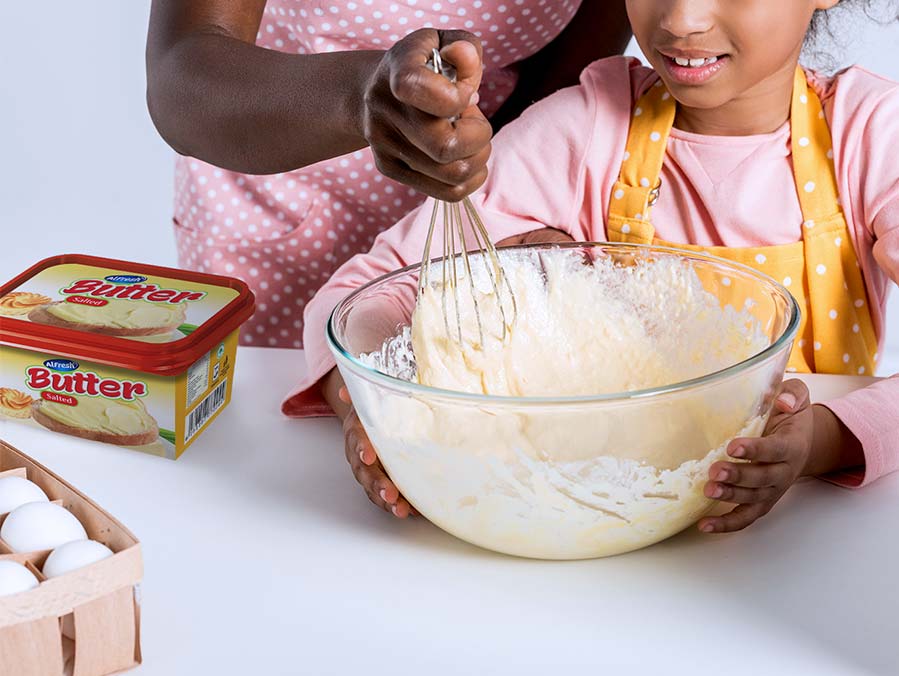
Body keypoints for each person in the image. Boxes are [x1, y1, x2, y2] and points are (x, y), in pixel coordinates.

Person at [284, 0, 899, 530]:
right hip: (582, 509)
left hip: (810, 534)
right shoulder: (582, 132)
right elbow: (362, 294)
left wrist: (824, 439)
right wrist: (373, 412)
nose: (682, 20)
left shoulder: (872, 136)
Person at [145, 0, 632, 347]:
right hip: (276, 213)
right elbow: (180, 74)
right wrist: (360, 99)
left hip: (473, 227)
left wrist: (511, 185)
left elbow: (576, 60)